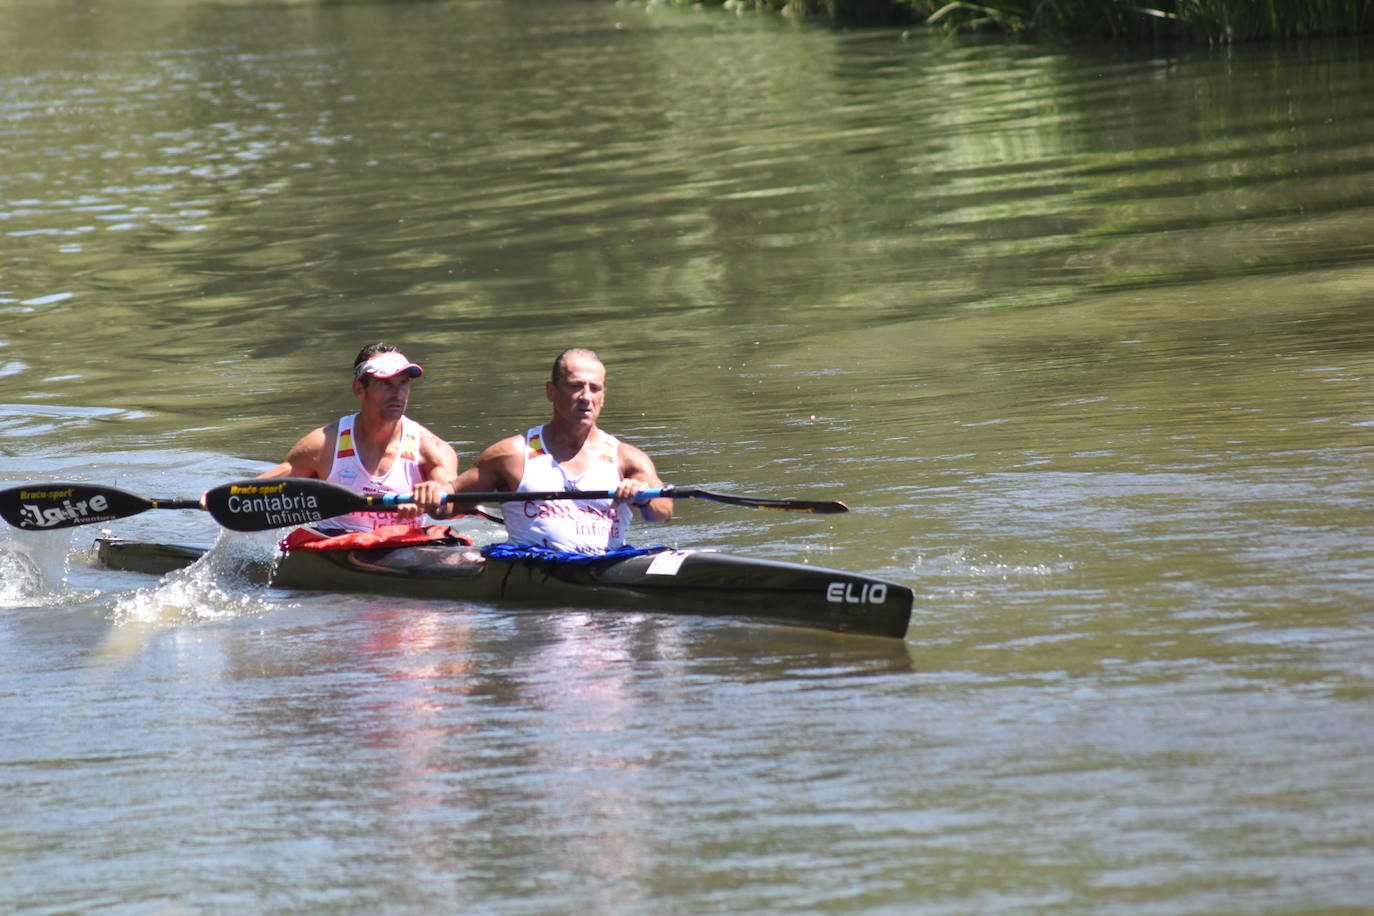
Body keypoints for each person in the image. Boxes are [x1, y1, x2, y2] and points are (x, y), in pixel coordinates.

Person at [445, 348, 672, 553]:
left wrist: (643, 499)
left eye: (595, 388)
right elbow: (445, 506)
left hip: (606, 564)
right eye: (575, 386)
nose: (586, 397)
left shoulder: (627, 458)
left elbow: (663, 513)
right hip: (531, 566)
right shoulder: (510, 454)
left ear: (603, 396)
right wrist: (433, 493)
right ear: (551, 392)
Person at [260, 343, 458, 532]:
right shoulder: (323, 446)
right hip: (337, 542)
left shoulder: (431, 448)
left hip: (407, 547)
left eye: (403, 383)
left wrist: (434, 495)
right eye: (385, 384)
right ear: (359, 390)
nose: (398, 393)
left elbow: (449, 502)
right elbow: (259, 497)